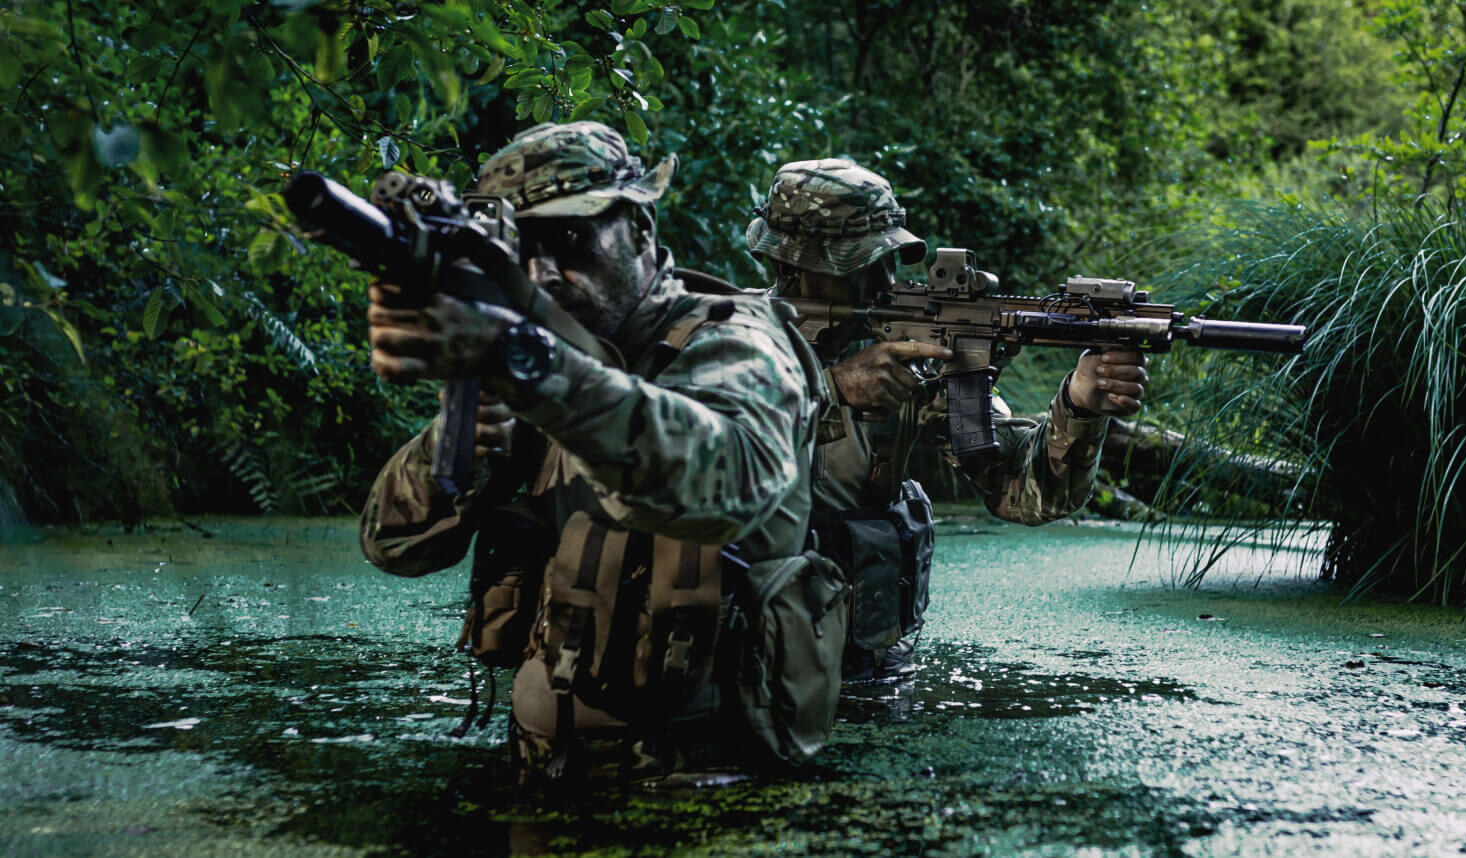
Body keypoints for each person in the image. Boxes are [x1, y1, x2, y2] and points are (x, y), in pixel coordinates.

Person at [357, 122, 833, 784]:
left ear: (641, 228)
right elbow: (395, 545)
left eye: (571, 238)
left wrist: (533, 371)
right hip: (548, 773)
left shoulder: (735, 342)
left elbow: (733, 481)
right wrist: (462, 439)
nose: (545, 271)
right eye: (523, 248)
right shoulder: (544, 361)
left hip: (710, 784)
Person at [743, 158, 1150, 683]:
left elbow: (1023, 493)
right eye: (861, 263)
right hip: (737, 662)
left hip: (859, 668)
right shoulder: (725, 339)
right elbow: (676, 452)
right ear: (796, 266)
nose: (886, 279)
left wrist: (1079, 404)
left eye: (888, 258)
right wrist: (832, 389)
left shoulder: (902, 359)